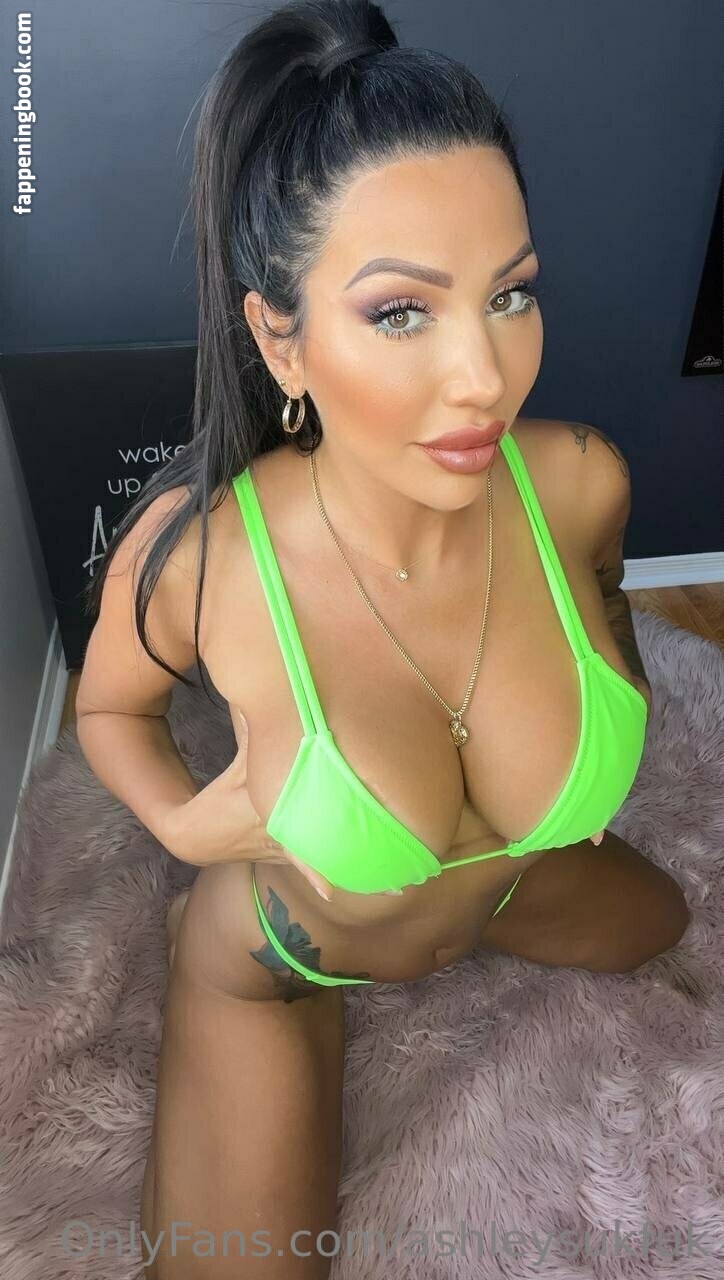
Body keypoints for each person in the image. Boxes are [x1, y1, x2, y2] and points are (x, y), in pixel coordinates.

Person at [76, 1, 691, 1274]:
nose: (485, 376)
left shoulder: (579, 481)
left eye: (510, 293)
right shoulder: (200, 558)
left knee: (666, 924)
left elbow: (603, 592)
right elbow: (108, 707)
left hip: (511, 884)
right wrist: (185, 827)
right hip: (290, 952)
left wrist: (606, 697)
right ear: (279, 336)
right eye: (401, 311)